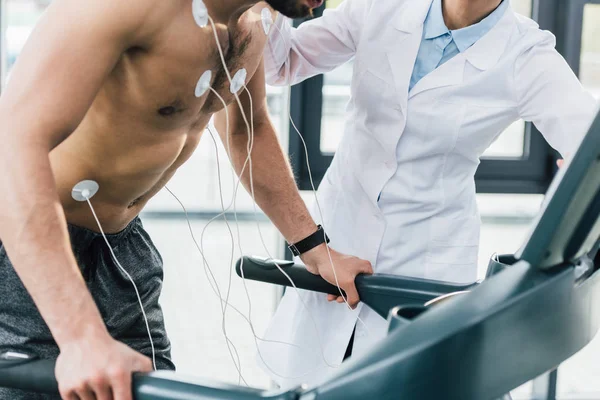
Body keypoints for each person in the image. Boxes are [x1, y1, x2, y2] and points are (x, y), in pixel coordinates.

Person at [0, 0, 374, 399]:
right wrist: (79, 336)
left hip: (123, 251)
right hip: (27, 248)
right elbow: (12, 147)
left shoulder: (253, 20)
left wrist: (315, 249)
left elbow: (248, 131)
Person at [258, 0, 600, 389]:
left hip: (427, 264)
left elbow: (591, 148)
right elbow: (280, 62)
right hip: (338, 243)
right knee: (314, 385)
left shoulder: (525, 54)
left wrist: (573, 197)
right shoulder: (383, 8)